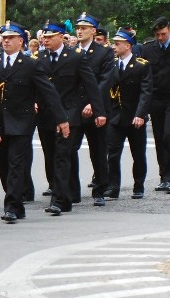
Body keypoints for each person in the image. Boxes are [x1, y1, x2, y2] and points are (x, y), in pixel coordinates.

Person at [0, 21, 68, 223]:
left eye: (10, 38)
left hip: (21, 120)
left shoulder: (30, 64)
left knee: (16, 163)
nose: (6, 41)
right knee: (3, 164)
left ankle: (12, 205)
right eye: (4, 38)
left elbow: (48, 92)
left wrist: (61, 118)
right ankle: (17, 203)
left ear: (20, 41)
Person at [35, 20, 106, 216]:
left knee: (62, 156)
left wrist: (99, 112)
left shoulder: (75, 57)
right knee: (51, 156)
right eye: (44, 37)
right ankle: (63, 198)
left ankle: (59, 199)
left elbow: (91, 84)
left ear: (60, 37)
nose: (45, 40)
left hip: (69, 113)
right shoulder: (40, 56)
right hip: (46, 114)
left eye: (50, 37)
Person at [105, 28, 152, 199]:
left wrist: (140, 114)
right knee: (113, 153)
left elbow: (146, 92)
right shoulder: (112, 65)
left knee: (138, 154)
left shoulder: (141, 65)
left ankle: (138, 186)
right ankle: (113, 186)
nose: (114, 47)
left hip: (135, 117)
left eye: (117, 44)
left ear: (128, 45)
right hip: (116, 117)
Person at [74, 12, 115, 206]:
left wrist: (94, 103)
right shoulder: (71, 51)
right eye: (78, 28)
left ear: (93, 30)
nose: (80, 31)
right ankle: (71, 190)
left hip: (96, 107)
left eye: (84, 28)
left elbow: (105, 80)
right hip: (75, 108)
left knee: (98, 150)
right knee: (69, 149)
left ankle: (99, 189)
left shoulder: (104, 52)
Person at [141, 16, 170, 192]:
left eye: (164, 34)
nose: (160, 38)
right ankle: (165, 177)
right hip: (156, 99)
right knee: (159, 138)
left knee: (168, 134)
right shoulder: (148, 49)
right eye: (158, 34)